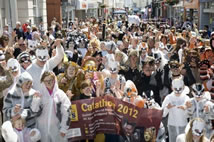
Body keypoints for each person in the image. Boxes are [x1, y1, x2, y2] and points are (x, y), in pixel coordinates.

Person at [33, 71, 71, 142]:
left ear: (54, 80)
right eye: (46, 81)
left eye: (50, 80)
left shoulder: (60, 94)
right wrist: (36, 100)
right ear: (43, 82)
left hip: (57, 129)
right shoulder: (39, 94)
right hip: (42, 129)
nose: (49, 83)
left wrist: (64, 128)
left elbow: (67, 112)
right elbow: (34, 111)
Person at [162, 77, 190, 142]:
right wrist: (167, 108)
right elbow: (162, 114)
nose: (177, 91)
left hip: (183, 125)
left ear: (183, 87)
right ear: (172, 87)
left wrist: (185, 109)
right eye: (175, 89)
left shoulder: (186, 98)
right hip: (172, 125)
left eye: (180, 89)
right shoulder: (169, 98)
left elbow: (190, 114)